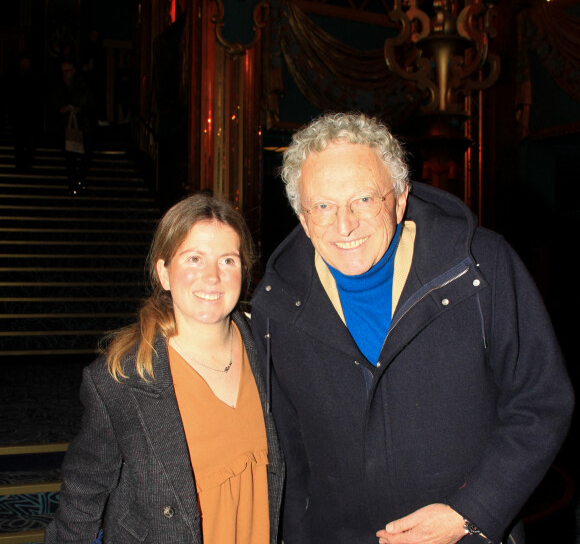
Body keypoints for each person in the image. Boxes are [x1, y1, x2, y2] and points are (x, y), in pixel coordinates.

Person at [250, 112, 574, 544]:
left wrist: (471, 512)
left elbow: (541, 402)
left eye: (363, 200)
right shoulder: (275, 308)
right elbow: (290, 460)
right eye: (323, 206)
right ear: (303, 218)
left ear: (400, 198)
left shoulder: (482, 266)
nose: (344, 225)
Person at [45, 193, 284, 543]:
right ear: (164, 272)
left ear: (244, 271)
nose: (212, 276)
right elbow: (83, 494)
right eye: (194, 259)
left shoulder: (268, 350)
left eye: (228, 260)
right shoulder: (121, 379)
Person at [51, 60, 95, 194]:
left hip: (82, 126)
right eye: (63, 71)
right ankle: (73, 183)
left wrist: (77, 107)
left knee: (84, 156)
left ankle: (79, 181)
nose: (65, 74)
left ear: (73, 70)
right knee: (70, 158)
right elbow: (54, 104)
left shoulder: (81, 84)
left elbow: (89, 101)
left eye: (67, 71)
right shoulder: (60, 86)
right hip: (66, 127)